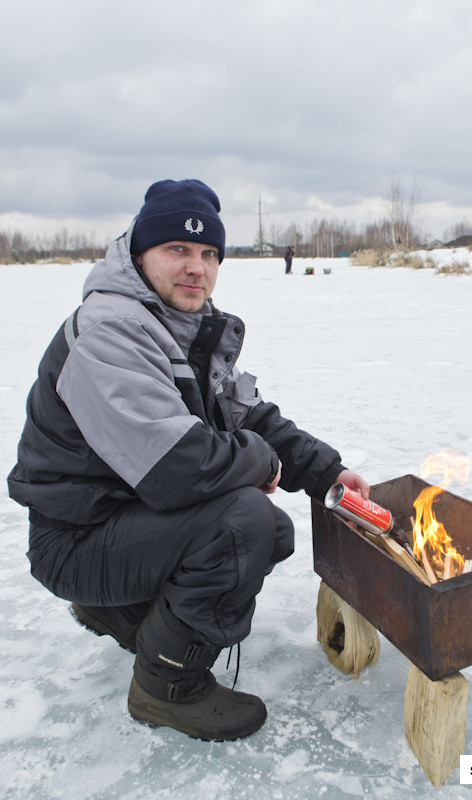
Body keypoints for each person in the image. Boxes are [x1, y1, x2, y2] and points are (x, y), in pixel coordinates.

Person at [7, 179, 369, 742]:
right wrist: (260, 462)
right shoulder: (112, 331)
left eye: (208, 254)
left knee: (261, 524)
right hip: (75, 538)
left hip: (117, 522)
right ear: (138, 255)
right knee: (243, 523)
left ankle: (122, 611)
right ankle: (167, 687)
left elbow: (247, 417)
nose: (195, 267)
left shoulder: (180, 327)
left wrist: (324, 471)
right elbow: (176, 468)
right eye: (177, 249)